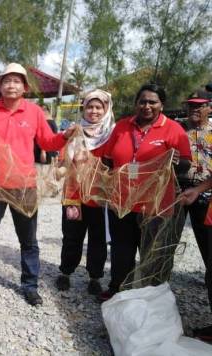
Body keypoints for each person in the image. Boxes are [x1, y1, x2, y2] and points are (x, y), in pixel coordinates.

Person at [0, 63, 76, 306]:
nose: (11, 85)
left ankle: (30, 285)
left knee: (28, 239)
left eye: (16, 81)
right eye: (7, 80)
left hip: (24, 185)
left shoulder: (35, 112)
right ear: (0, 86)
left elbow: (48, 143)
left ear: (24, 87)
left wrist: (65, 136)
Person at [98, 84, 191, 302]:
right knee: (121, 250)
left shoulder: (174, 129)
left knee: (152, 254)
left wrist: (175, 162)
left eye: (152, 102)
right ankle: (118, 289)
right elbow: (108, 159)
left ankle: (149, 297)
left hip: (156, 205)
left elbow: (185, 164)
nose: (146, 106)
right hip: (122, 202)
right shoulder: (122, 127)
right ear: (136, 104)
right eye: (142, 101)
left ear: (162, 105)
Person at [55, 89, 115, 295]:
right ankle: (65, 272)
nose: (94, 111)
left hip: (100, 199)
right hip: (74, 197)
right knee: (72, 236)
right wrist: (59, 170)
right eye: (90, 106)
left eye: (99, 107)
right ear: (84, 109)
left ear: (106, 109)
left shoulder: (112, 134)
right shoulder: (75, 133)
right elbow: (62, 163)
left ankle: (95, 277)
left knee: (98, 240)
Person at [177, 95, 212, 341]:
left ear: (209, 108)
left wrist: (200, 190)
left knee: (209, 252)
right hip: (178, 193)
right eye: (191, 106)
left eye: (200, 107)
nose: (195, 111)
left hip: (207, 196)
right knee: (165, 245)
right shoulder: (178, 131)